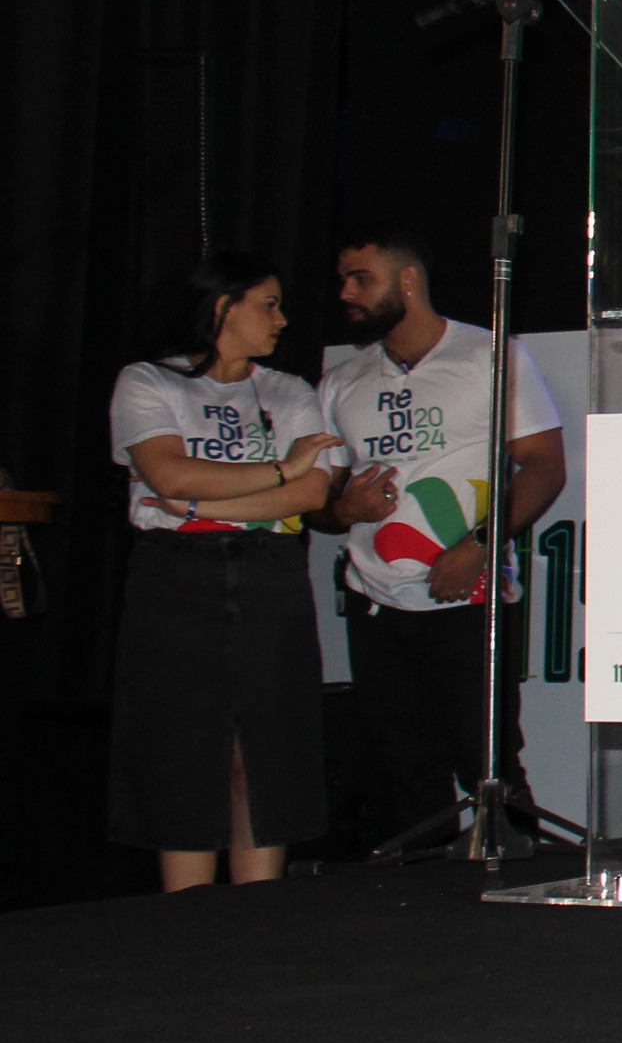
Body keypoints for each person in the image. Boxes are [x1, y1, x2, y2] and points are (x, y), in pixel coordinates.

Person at [319, 230, 566, 851]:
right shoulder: (342, 380)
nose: (345, 292)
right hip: (374, 603)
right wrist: (342, 509)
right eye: (342, 279)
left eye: (360, 278)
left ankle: (514, 877)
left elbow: (544, 466)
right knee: (404, 768)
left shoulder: (491, 356)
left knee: (489, 763)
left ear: (407, 281)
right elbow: (320, 502)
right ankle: (420, 895)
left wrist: (478, 545)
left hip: (470, 599)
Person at [107, 254, 346, 890]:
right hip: (175, 577)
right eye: (268, 304)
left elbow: (311, 494)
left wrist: (198, 505)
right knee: (184, 752)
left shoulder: (289, 391)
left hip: (270, 573)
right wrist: (279, 469)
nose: (282, 319)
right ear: (222, 307)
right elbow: (169, 472)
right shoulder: (148, 381)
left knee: (264, 751)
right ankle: (187, 916)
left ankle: (257, 916)